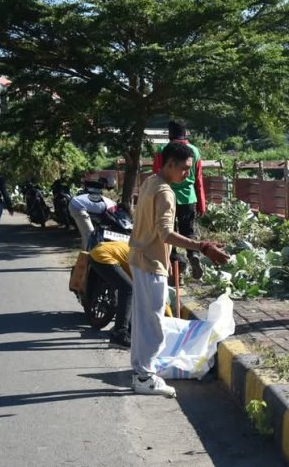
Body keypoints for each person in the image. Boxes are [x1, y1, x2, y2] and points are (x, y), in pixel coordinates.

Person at [129, 141, 229, 397]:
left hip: (139, 258)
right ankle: (145, 376)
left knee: (143, 322)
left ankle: (141, 373)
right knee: (153, 324)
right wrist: (203, 246)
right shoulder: (165, 192)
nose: (187, 175)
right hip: (152, 263)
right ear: (170, 163)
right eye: (184, 169)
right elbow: (166, 233)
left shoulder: (150, 181)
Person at [152, 120, 206, 279]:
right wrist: (202, 203)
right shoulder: (194, 151)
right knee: (188, 230)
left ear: (169, 133)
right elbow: (199, 179)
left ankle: (175, 260)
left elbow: (157, 175)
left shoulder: (163, 150)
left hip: (166, 196)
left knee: (168, 232)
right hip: (188, 197)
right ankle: (193, 254)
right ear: (186, 133)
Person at [88, 240, 133, 349]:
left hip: (97, 252)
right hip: (104, 256)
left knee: (125, 288)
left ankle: (123, 328)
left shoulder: (143, 252)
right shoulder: (145, 264)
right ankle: (119, 334)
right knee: (128, 289)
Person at [69, 180, 117, 250]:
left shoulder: (105, 200)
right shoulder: (112, 206)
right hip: (77, 207)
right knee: (90, 234)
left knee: (86, 234)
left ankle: (86, 253)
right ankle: (90, 255)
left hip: (76, 203)